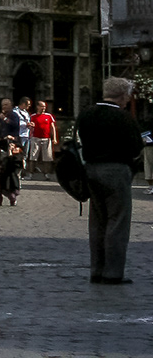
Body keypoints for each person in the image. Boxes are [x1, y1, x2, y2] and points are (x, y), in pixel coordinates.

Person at [75, 76, 140, 285]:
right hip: (116, 170)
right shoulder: (123, 118)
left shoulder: (86, 114)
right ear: (122, 96)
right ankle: (112, 272)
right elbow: (136, 146)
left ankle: (96, 269)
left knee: (97, 221)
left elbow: (80, 140)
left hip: (91, 169)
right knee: (117, 221)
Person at [27, 99, 57, 177]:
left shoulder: (48, 116)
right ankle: (30, 173)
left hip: (46, 138)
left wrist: (54, 138)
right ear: (37, 107)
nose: (43, 108)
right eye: (42, 106)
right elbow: (29, 126)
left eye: (44, 106)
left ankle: (47, 173)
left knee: (47, 157)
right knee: (33, 156)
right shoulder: (33, 116)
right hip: (35, 138)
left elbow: (52, 127)